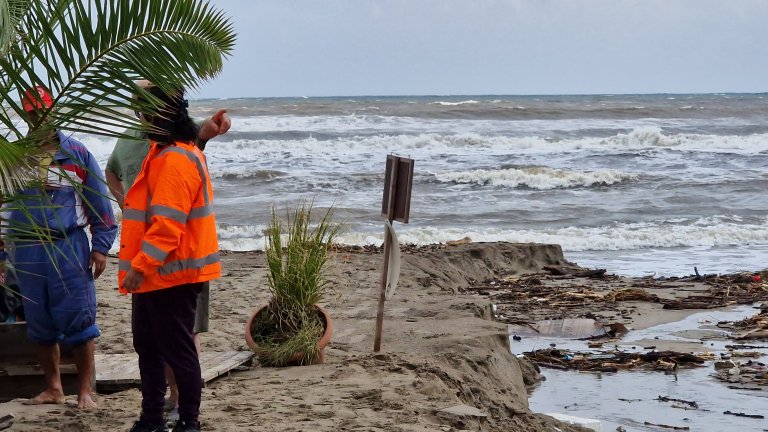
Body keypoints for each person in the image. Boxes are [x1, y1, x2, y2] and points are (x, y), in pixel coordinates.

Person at [105, 81, 229, 423]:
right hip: (157, 274)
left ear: (159, 114)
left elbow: (167, 227)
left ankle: (188, 420)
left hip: (170, 274)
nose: (140, 119)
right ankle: (152, 417)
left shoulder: (174, 158)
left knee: (178, 350)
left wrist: (139, 266)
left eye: (143, 111)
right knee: (148, 346)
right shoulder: (162, 152)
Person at [0, 85, 118, 409]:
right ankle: (53, 388)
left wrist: (101, 247)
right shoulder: (13, 157)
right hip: (26, 250)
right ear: (27, 114)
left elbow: (99, 204)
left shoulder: (76, 154)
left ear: (54, 112)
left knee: (79, 318)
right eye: (34, 112)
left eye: (44, 112)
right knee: (39, 321)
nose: (39, 118)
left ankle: (84, 391)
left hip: (68, 246)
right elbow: (3, 207)